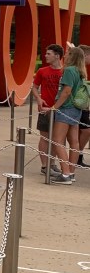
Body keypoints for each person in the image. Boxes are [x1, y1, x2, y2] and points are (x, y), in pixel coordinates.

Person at [50, 46, 88, 183]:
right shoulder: (80, 71)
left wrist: (54, 107)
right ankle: (71, 172)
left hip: (66, 108)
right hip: (76, 109)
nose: (65, 55)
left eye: (68, 53)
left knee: (57, 140)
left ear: (72, 56)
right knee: (74, 141)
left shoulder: (69, 70)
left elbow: (66, 91)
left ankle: (65, 173)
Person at [31, 44, 64, 177]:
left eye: (49, 54)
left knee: (56, 138)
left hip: (60, 110)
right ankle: (45, 165)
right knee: (44, 137)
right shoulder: (42, 71)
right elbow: (34, 87)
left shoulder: (65, 72)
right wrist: (38, 98)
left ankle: (52, 163)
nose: (45, 56)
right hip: (45, 109)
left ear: (57, 56)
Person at [77, 44, 90, 169]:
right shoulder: (77, 70)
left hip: (83, 105)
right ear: (85, 55)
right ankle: (77, 155)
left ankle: (78, 156)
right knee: (85, 131)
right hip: (78, 106)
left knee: (82, 131)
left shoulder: (82, 69)